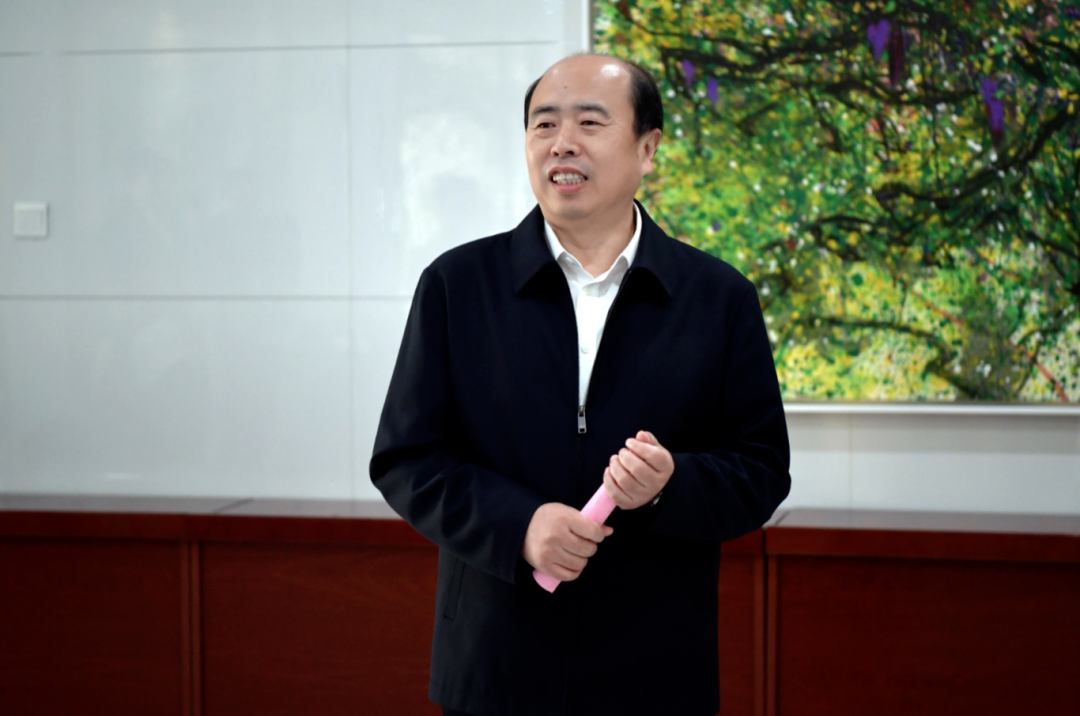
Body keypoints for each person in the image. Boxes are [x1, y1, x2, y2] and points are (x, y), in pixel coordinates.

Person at [371, 53, 790, 716]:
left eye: (590, 122)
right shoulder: (457, 286)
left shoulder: (717, 298)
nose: (562, 142)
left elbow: (761, 472)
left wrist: (670, 484)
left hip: (653, 674)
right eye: (544, 124)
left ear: (647, 149)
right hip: (495, 668)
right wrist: (519, 526)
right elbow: (406, 460)